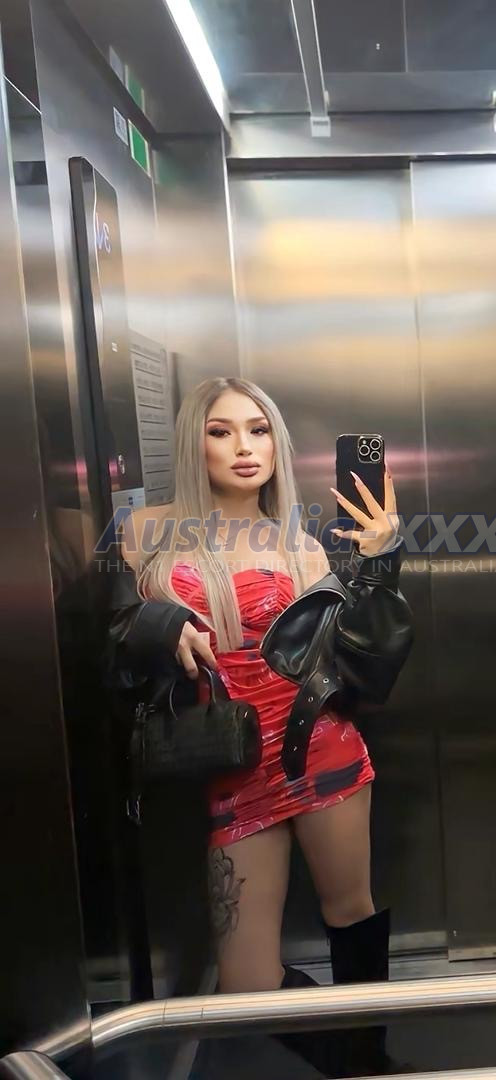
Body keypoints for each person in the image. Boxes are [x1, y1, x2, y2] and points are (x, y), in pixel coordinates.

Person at [104, 376, 413, 1077]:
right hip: (232, 765)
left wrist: (380, 562)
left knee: (351, 914)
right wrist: (161, 624)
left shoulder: (301, 546)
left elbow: (368, 663)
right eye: (221, 431)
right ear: (195, 444)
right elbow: (112, 632)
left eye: (259, 429)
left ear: (277, 444)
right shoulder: (146, 531)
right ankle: (361, 1060)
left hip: (321, 750)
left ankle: (369, 1064)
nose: (244, 447)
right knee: (246, 982)